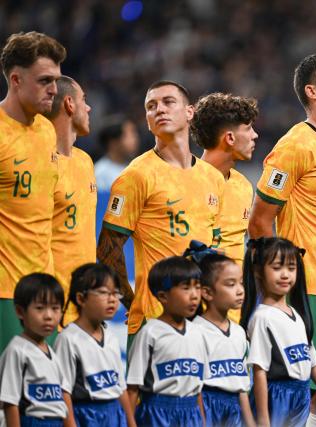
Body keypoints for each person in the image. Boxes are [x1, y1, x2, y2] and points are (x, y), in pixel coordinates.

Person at [248, 51, 316, 420]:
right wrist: (279, 286)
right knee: (307, 394)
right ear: (312, 91)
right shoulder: (294, 145)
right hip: (313, 288)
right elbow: (260, 222)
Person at [97, 80, 226, 339]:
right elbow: (107, 248)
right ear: (147, 120)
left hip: (203, 321)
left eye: (168, 102)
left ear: (189, 112)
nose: (159, 110)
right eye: (151, 106)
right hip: (155, 320)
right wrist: (132, 301)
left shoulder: (212, 178)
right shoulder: (136, 176)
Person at [0, 31, 66, 352]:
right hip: (5, 291)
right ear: (15, 79)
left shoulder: (46, 130)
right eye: (44, 80)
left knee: (42, 396)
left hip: (45, 288)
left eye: (55, 80)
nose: (54, 89)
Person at [240, 238, 316, 427]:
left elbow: (314, 365)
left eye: (291, 268)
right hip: (277, 398)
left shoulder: (297, 315)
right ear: (258, 271)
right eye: (277, 268)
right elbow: (259, 372)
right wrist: (264, 420)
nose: (285, 275)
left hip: (300, 396)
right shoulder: (262, 317)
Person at [190, 92, 258, 324]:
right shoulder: (188, 181)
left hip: (235, 316)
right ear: (229, 137)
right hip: (196, 313)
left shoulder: (244, 186)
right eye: (248, 129)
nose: (255, 135)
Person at [126, 256, 207, 426]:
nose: (194, 296)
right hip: (157, 413)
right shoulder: (150, 333)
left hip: (191, 414)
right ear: (163, 296)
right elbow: (133, 389)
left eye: (197, 287)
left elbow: (198, 389)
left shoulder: (198, 332)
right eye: (186, 288)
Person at [43, 75, 97, 327]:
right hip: (52, 305)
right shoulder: (40, 162)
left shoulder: (85, 161)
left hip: (85, 305)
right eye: (83, 100)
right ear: (69, 104)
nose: (88, 108)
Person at [185, 241, 256, 427]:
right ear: (207, 292)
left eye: (241, 283)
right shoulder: (195, 332)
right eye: (231, 284)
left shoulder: (240, 333)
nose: (240, 290)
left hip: (234, 412)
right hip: (207, 409)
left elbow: (241, 387)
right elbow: (194, 389)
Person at [54, 263, 135, 427]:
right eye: (104, 293)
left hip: (115, 414)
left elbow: (120, 387)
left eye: (115, 293)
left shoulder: (111, 337)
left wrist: (131, 423)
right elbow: (63, 392)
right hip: (86, 416)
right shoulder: (68, 339)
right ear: (81, 298)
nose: (112, 299)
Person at [0, 273, 69, 426]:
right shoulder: (17, 351)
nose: (48, 316)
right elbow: (10, 403)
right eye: (40, 308)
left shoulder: (52, 352)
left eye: (55, 308)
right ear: (20, 311)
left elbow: (63, 398)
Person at [94, 117, 139, 192]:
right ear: (113, 143)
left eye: (134, 135)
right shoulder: (100, 173)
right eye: (129, 135)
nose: (135, 139)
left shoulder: (136, 167)